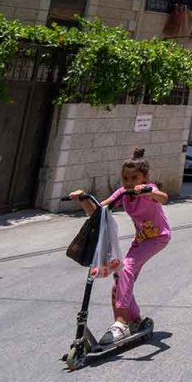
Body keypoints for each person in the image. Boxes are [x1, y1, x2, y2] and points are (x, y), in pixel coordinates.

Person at [69, 147, 170, 345]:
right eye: (126, 178)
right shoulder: (123, 193)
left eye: (134, 178)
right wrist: (84, 198)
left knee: (126, 269)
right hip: (141, 240)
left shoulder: (149, 189)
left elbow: (163, 197)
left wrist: (149, 190)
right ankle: (135, 320)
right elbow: (98, 211)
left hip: (158, 238)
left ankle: (121, 322)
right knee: (119, 282)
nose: (130, 182)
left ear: (144, 177)